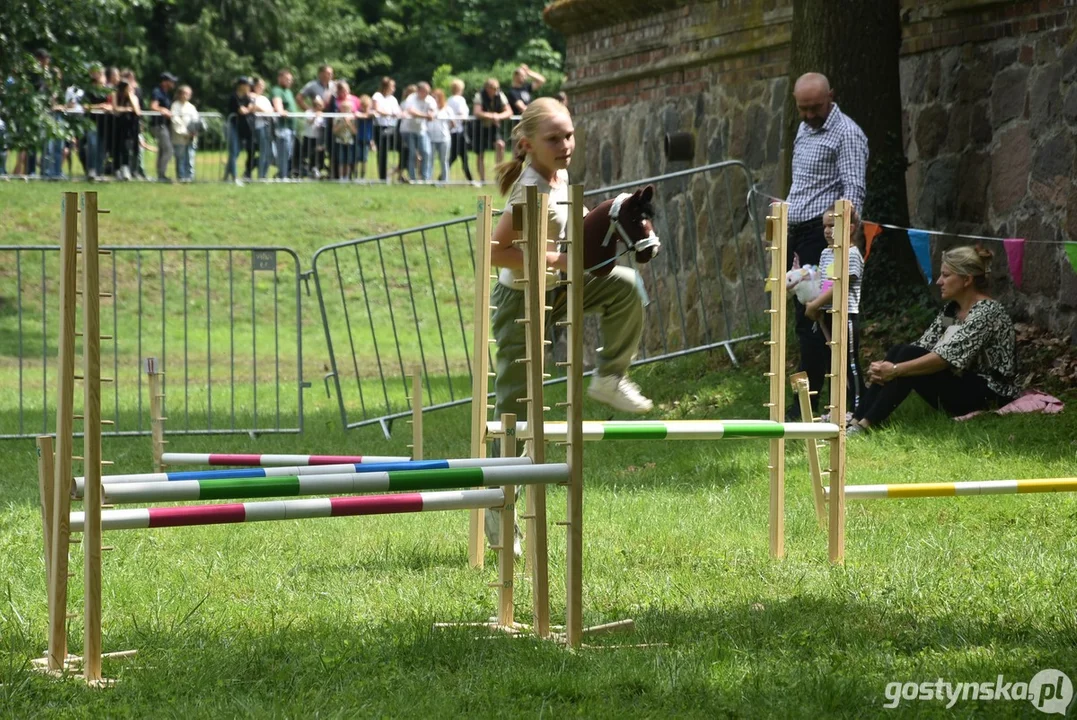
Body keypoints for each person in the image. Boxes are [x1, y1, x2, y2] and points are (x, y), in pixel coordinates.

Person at [486, 98, 652, 553]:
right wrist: (559, 258)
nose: (566, 145)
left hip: (558, 289)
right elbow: (496, 251)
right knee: (516, 416)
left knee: (625, 286)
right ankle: (498, 512)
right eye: (554, 138)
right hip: (520, 300)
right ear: (527, 144)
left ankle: (609, 376)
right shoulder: (529, 191)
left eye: (570, 135)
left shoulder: (559, 180)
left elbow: (575, 233)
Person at [847, 247, 1020, 435]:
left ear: (967, 280)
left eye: (946, 275)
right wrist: (886, 367)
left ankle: (864, 426)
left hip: (990, 393)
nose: (939, 281)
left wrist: (895, 370)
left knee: (905, 357)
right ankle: (857, 419)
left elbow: (944, 359)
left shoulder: (986, 312)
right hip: (964, 383)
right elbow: (925, 346)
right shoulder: (952, 311)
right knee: (901, 351)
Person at [785, 72, 868, 419]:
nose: (807, 116)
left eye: (814, 108)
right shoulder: (805, 128)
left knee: (824, 321)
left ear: (831, 96)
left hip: (826, 236)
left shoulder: (847, 134)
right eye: (801, 109)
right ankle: (814, 404)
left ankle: (835, 405)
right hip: (798, 234)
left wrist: (841, 241)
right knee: (804, 320)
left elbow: (854, 191)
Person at [803, 203, 866, 418]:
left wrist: (816, 304)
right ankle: (836, 409)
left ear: (850, 228)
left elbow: (841, 284)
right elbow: (824, 283)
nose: (827, 230)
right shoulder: (825, 253)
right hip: (827, 315)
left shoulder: (852, 254)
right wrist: (812, 300)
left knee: (848, 362)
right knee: (831, 362)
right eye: (825, 226)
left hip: (846, 314)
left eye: (833, 225)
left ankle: (859, 409)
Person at [472, 78, 511, 184]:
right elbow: (477, 112)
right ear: (487, 88)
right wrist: (492, 116)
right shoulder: (479, 96)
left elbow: (509, 111)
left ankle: (499, 176)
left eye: (497, 88)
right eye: (493, 88)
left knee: (501, 145)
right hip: (480, 127)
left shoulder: (500, 95)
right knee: (480, 154)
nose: (496, 90)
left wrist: (498, 116)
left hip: (494, 128)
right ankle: (482, 180)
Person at [400, 82, 436, 183]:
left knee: (426, 152)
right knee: (412, 154)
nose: (427, 94)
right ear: (419, 91)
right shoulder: (411, 98)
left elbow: (432, 112)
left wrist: (429, 114)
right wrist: (425, 115)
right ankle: (412, 177)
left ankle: (425, 178)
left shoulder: (430, 100)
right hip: (410, 129)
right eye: (425, 92)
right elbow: (411, 111)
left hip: (422, 130)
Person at [270, 68, 298, 180]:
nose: (289, 81)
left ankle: (283, 174)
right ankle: (283, 175)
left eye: (291, 79)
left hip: (291, 127)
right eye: (287, 79)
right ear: (280, 78)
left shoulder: (289, 92)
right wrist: (280, 110)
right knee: (283, 153)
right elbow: (277, 104)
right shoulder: (277, 90)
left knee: (288, 153)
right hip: (283, 127)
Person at [224, 77, 254, 183]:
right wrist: (247, 109)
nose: (249, 87)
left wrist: (248, 108)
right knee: (234, 151)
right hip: (232, 126)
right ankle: (235, 178)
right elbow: (242, 110)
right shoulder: (234, 97)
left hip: (241, 127)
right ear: (241, 85)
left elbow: (250, 107)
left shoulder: (247, 97)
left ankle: (226, 177)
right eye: (247, 85)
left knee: (235, 153)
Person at [149, 72, 177, 182]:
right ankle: (161, 175)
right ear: (165, 82)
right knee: (169, 150)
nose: (173, 83)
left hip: (164, 125)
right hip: (158, 125)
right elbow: (153, 106)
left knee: (162, 150)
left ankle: (161, 175)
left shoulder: (166, 93)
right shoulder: (157, 91)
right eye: (171, 81)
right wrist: (163, 110)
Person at [371, 76, 399, 182]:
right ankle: (382, 177)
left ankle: (396, 171)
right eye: (392, 86)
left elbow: (397, 112)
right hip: (380, 127)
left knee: (404, 148)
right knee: (382, 152)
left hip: (393, 127)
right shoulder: (377, 96)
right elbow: (377, 109)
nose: (394, 88)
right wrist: (390, 114)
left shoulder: (393, 99)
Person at [169, 84, 200, 182]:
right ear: (180, 94)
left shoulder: (191, 107)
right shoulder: (175, 106)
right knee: (180, 157)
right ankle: (181, 176)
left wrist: (194, 131)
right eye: (184, 93)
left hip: (191, 137)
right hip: (179, 137)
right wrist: (185, 132)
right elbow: (175, 120)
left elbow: (196, 120)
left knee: (190, 157)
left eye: (188, 94)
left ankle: (189, 176)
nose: (186, 96)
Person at [446, 78, 474, 184]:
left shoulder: (449, 99)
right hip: (459, 131)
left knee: (456, 156)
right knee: (462, 157)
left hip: (452, 131)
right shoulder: (460, 100)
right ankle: (470, 180)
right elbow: (462, 114)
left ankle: (470, 179)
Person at [250, 77, 275, 179]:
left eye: (263, 86)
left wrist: (264, 111)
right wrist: (263, 111)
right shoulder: (252, 97)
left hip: (268, 126)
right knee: (263, 151)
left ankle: (264, 174)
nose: (262, 87)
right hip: (259, 126)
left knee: (270, 153)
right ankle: (261, 176)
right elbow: (254, 108)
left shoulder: (264, 98)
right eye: (259, 85)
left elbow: (270, 111)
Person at [299, 94, 326, 178]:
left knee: (317, 154)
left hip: (317, 138)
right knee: (307, 155)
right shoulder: (308, 112)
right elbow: (309, 122)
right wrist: (315, 116)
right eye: (320, 105)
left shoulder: (323, 114)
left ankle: (315, 169)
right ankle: (305, 170)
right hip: (308, 137)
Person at [428, 89, 452, 183]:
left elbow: (452, 122)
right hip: (431, 138)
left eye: (435, 97)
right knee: (430, 160)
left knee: (444, 160)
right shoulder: (429, 108)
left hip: (444, 138)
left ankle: (445, 180)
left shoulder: (447, 109)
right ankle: (429, 179)